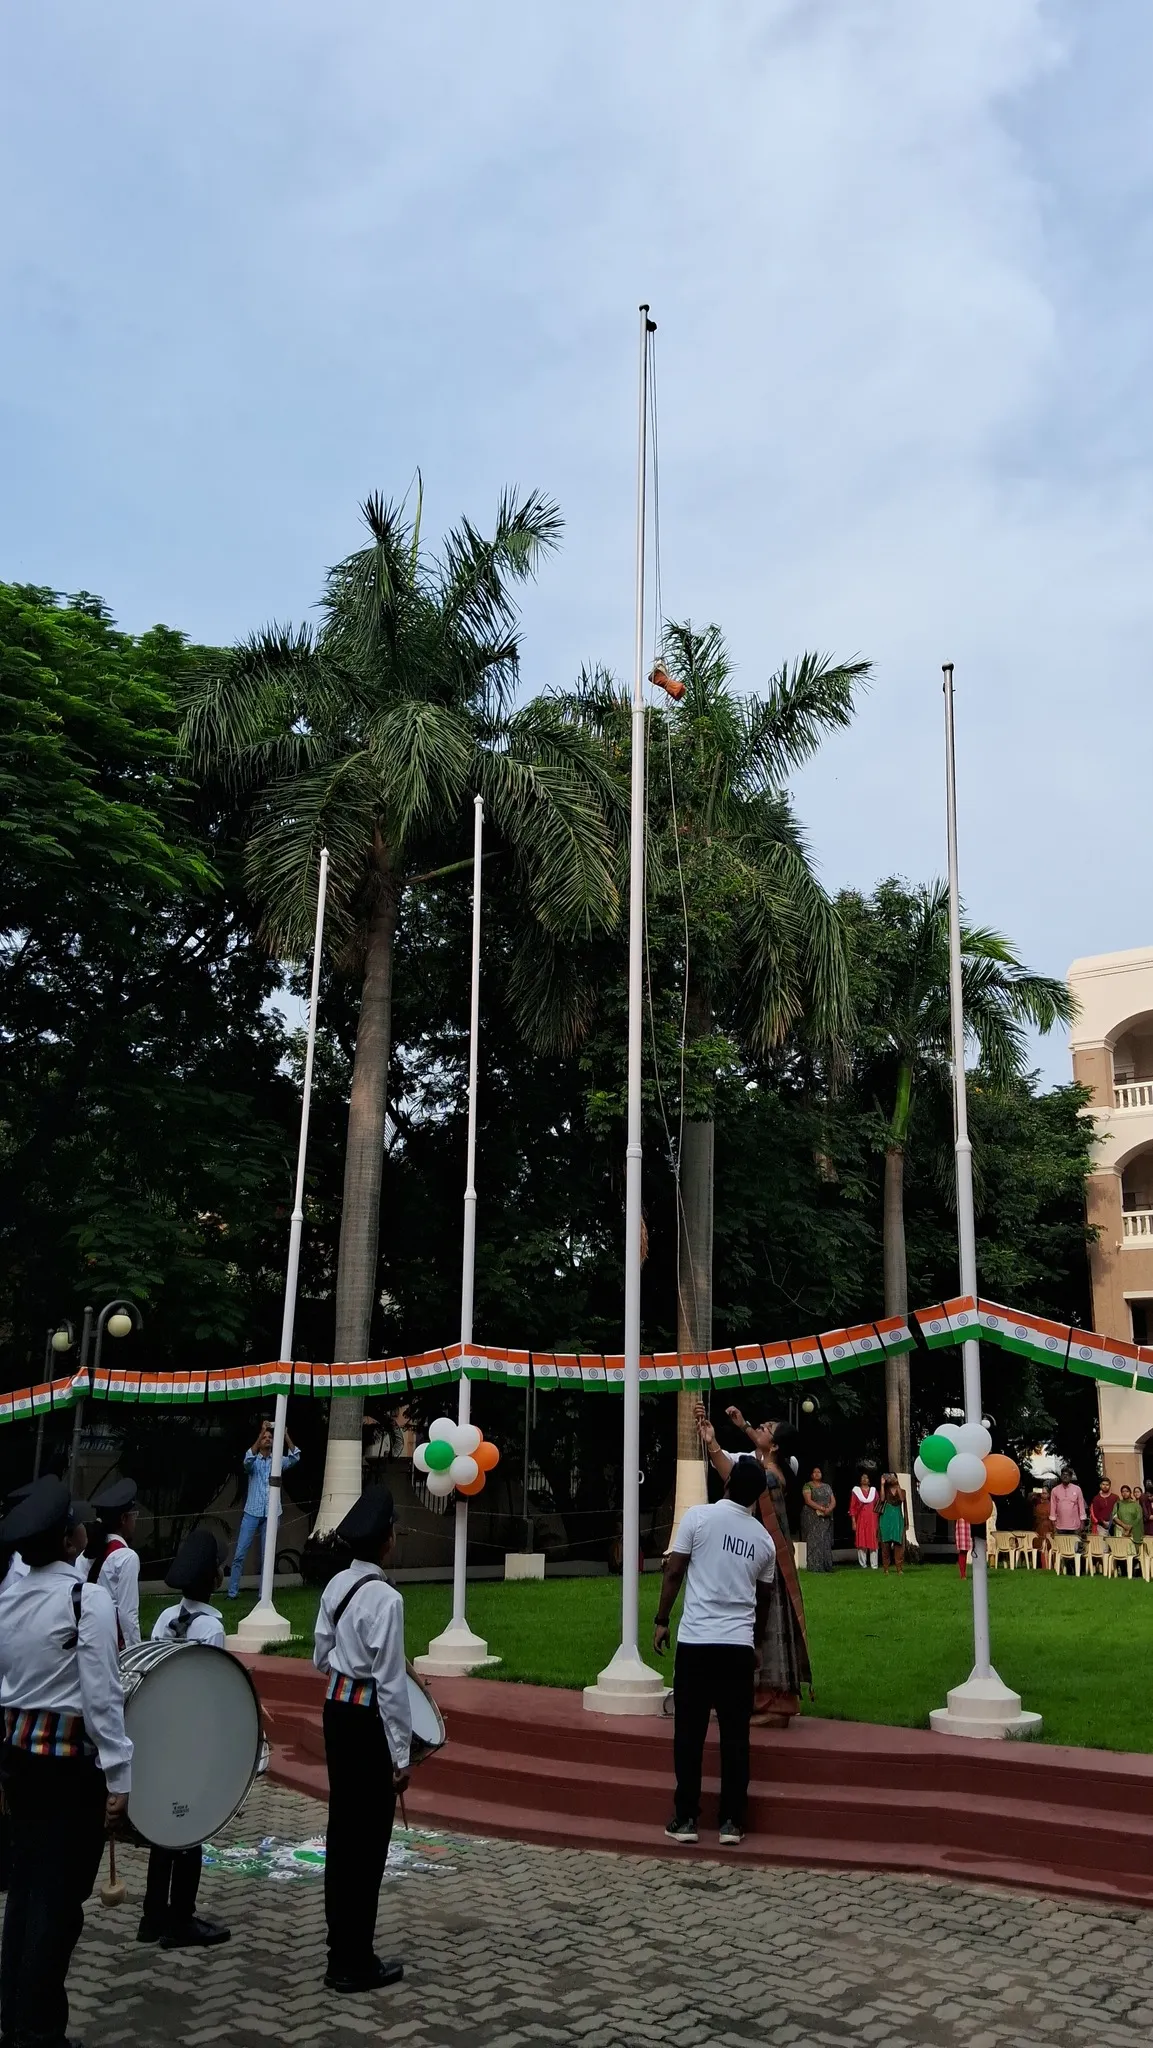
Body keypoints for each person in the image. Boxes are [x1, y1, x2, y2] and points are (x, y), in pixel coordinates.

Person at [0, 1476, 131, 2048]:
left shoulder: (8, 1595)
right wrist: (119, 1774)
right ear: (70, 1540)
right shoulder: (87, 1599)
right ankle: (40, 2031)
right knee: (57, 1906)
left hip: (19, 1758)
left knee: (27, 1894)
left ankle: (16, 2021)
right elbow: (101, 1697)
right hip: (68, 1768)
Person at [313, 1487, 409, 1995]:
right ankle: (357, 1959)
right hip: (368, 1717)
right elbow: (392, 1684)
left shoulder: (335, 1588)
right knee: (369, 1842)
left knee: (342, 1830)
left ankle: (338, 1950)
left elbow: (319, 1657)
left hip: (335, 1710)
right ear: (387, 1540)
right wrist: (400, 1756)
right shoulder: (387, 1599)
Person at [653, 1455, 775, 1849]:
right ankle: (731, 1822)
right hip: (737, 1647)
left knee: (688, 1733)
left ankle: (686, 1817)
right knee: (736, 1737)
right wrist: (755, 1644)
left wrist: (661, 1618)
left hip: (696, 1642)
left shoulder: (697, 1518)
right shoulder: (764, 1541)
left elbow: (674, 1571)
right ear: (756, 1496)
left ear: (726, 1484)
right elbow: (764, 1601)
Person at [137, 1529, 231, 1951]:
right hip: (193, 1739)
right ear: (214, 1578)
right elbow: (213, 1688)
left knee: (163, 1828)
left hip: (163, 1733)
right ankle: (182, 1918)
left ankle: (152, 1916)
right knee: (192, 1826)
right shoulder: (211, 1629)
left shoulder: (163, 1619)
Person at [699, 1407, 812, 1726]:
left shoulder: (769, 1477)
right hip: (758, 1559)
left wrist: (714, 1443)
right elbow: (738, 1469)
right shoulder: (766, 1466)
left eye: (766, 1427)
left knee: (765, 1628)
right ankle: (751, 1699)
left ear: (774, 1445)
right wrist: (716, 1438)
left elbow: (734, 1479)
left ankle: (775, 1706)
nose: (758, 1430)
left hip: (768, 1565)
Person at [228, 1421, 300, 1599]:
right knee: (239, 1554)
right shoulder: (253, 1461)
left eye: (270, 1437)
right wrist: (261, 1433)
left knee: (266, 1556)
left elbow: (295, 1457)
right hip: (252, 1512)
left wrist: (285, 1435)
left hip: (271, 1513)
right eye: (265, 1438)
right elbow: (247, 1460)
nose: (267, 1439)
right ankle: (232, 1592)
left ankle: (263, 1594)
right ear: (260, 1441)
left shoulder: (277, 1462)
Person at [86, 1476, 141, 1648]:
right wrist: (136, 1651)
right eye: (134, 1515)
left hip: (87, 1634)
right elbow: (127, 1613)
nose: (135, 1521)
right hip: (113, 1642)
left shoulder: (87, 1553)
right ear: (124, 1519)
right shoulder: (126, 1557)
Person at [800, 1467, 835, 1572]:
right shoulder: (808, 1486)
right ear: (811, 1475)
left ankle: (827, 1565)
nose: (817, 1474)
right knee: (815, 1540)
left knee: (825, 1540)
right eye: (814, 1472)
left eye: (819, 1472)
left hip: (826, 1516)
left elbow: (833, 1500)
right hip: (812, 1516)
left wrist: (829, 1509)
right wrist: (821, 1508)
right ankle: (815, 1566)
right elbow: (808, 1500)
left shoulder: (827, 1487)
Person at [849, 1472, 880, 1568]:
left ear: (869, 1481)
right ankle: (863, 1564)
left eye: (866, 1478)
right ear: (860, 1480)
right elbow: (852, 1507)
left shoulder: (873, 1491)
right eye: (863, 1477)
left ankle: (874, 1564)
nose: (864, 1479)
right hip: (861, 1519)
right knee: (862, 1540)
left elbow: (878, 1505)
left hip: (872, 1519)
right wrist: (853, 1521)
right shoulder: (856, 1491)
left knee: (873, 1540)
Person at [878, 1474, 907, 1576]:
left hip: (897, 1518)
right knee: (885, 1544)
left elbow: (902, 1499)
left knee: (898, 1544)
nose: (890, 1479)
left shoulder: (902, 1490)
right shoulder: (885, 1490)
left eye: (892, 1477)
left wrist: (897, 1484)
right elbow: (881, 1500)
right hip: (886, 1517)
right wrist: (882, 1485)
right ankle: (886, 1568)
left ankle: (899, 1568)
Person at [1050, 1468, 1087, 1539]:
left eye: (1068, 1475)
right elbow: (1053, 1507)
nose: (1065, 1476)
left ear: (1071, 1477)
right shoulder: (1055, 1490)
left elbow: (1081, 1506)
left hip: (1075, 1526)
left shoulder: (1077, 1489)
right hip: (1060, 1526)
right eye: (1063, 1474)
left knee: (1074, 1548)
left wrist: (1082, 1523)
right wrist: (1053, 1524)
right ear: (1061, 1476)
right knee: (1061, 1547)